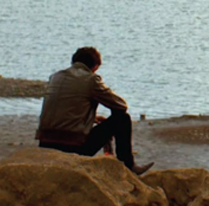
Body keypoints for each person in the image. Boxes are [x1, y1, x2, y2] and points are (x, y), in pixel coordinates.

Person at [36, 47, 153, 175]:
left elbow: (65, 106)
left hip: (45, 143)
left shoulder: (55, 77)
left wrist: (92, 117)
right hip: (72, 147)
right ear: (95, 67)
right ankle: (128, 165)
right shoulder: (91, 80)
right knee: (122, 118)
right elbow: (120, 105)